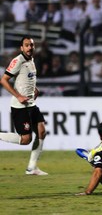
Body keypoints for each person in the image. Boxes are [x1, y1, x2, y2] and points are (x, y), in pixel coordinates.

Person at [0, 36, 48, 176]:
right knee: (26, 139)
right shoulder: (18, 61)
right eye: (26, 45)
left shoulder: (31, 60)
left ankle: (32, 168)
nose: (29, 48)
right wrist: (18, 96)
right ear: (22, 47)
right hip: (20, 106)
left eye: (31, 45)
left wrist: (35, 88)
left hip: (31, 104)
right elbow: (3, 80)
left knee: (42, 132)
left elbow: (27, 78)